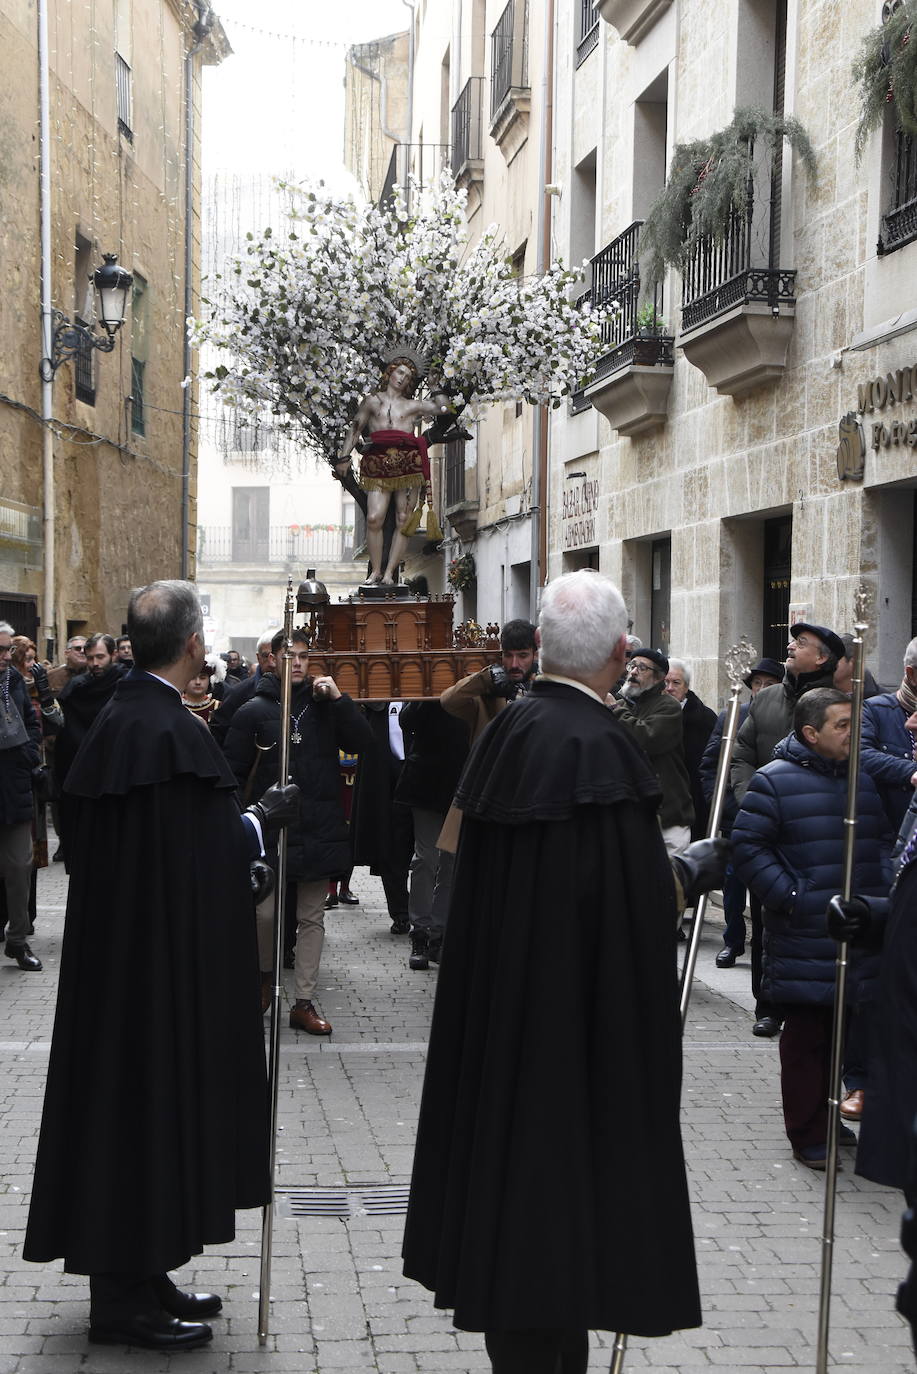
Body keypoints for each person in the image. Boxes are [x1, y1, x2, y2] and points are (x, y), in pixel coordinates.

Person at [402, 571, 726, 1372]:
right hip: (573, 1037)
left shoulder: (509, 731)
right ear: (621, 654)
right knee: (556, 1223)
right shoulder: (599, 746)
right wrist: (686, 873)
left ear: (538, 648)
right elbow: (628, 905)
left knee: (515, 1220)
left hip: (502, 1024)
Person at [23, 580, 299, 1350]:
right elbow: (196, 848)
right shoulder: (157, 728)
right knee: (134, 1110)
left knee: (139, 1110)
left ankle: (143, 1272)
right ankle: (122, 1300)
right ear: (190, 644)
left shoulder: (136, 718)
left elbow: (167, 849)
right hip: (143, 972)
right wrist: (256, 823)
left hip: (132, 961)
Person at [732, 688, 892, 1169]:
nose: (852, 734)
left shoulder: (860, 778)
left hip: (856, 931)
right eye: (842, 725)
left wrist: (879, 901)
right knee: (807, 1040)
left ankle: (829, 1119)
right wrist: (795, 897)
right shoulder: (774, 782)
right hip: (805, 933)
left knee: (843, 1036)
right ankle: (807, 1134)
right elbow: (748, 849)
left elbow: (880, 844)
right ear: (810, 733)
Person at [223, 627, 372, 1033]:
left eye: (305, 655)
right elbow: (231, 773)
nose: (300, 662)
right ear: (272, 659)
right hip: (270, 832)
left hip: (318, 827)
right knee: (264, 915)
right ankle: (262, 985)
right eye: (291, 656)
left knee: (312, 918)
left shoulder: (325, 706)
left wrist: (340, 702)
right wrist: (246, 822)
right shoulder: (253, 710)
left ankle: (303, 1001)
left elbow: (362, 743)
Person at [730, 622, 844, 1037]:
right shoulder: (767, 700)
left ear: (823, 658)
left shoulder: (841, 703)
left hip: (819, 827)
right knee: (766, 917)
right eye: (793, 641)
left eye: (802, 643)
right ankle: (769, 1004)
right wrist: (751, 799)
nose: (791, 647)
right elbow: (741, 753)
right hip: (770, 829)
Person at [335, 350, 451, 584]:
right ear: (390, 372)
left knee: (403, 520)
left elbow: (444, 410)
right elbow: (356, 428)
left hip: (407, 463)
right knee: (374, 518)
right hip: (377, 462)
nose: (402, 379)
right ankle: (376, 570)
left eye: (408, 377)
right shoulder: (371, 401)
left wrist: (436, 386)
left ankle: (389, 574)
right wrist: (343, 458)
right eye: (400, 372)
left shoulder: (412, 405)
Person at [699, 656, 784, 968]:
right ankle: (733, 941)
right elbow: (710, 766)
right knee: (734, 883)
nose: (761, 689)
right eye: (757, 683)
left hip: (773, 815)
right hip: (736, 814)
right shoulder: (732, 715)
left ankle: (763, 943)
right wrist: (720, 806)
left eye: (769, 684)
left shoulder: (785, 715)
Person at [394, 700, 469, 970]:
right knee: (426, 859)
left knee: (450, 860)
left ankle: (439, 933)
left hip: (461, 782)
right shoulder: (427, 690)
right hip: (426, 782)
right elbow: (407, 721)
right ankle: (421, 933)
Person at [612, 648, 694, 858]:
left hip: (667, 820)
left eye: (642, 668)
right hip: (635, 818)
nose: (633, 672)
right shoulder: (626, 706)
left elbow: (644, 739)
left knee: (669, 886)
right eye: (631, 666)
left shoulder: (669, 707)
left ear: (658, 678)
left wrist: (614, 710)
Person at [54, 633, 124, 867]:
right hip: (83, 772)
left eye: (100, 657)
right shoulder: (76, 688)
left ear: (113, 655)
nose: (95, 663)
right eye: (90, 657)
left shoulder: (125, 684)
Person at [349, 700, 415, 934]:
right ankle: (401, 912)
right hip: (384, 779)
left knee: (425, 854)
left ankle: (422, 912)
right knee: (390, 847)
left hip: (420, 774)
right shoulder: (376, 705)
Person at [0, 622, 43, 972]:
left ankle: (17, 939)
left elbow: (32, 723)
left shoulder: (12, 681)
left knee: (19, 866)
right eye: (0, 650)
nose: (5, 656)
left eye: (7, 649)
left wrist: (27, 754)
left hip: (12, 787)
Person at [861, 635, 917, 832]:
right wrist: (911, 771)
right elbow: (860, 755)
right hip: (892, 834)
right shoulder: (875, 710)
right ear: (911, 675)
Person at [664, 658, 717, 841]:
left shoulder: (704, 718)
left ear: (686, 687)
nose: (669, 687)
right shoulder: (650, 713)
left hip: (694, 803)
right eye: (665, 682)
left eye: (676, 682)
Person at [210, 630, 278, 746]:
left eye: (276, 656)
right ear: (258, 657)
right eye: (266, 656)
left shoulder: (300, 690)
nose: (272, 663)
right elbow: (219, 735)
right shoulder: (238, 693)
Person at [181, 655, 223, 725]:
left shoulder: (218, 707)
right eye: (193, 677)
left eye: (202, 678)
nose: (198, 682)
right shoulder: (175, 705)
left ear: (209, 681)